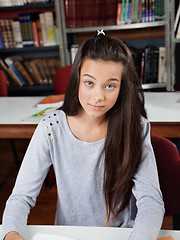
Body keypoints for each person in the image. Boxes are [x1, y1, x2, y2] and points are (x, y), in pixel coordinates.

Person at [2, 31, 165, 240]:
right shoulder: (51, 128)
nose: (98, 96)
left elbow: (151, 200)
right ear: (77, 79)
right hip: (68, 234)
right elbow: (21, 197)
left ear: (122, 87)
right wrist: (10, 233)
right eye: (89, 82)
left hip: (123, 235)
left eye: (110, 86)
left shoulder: (136, 128)